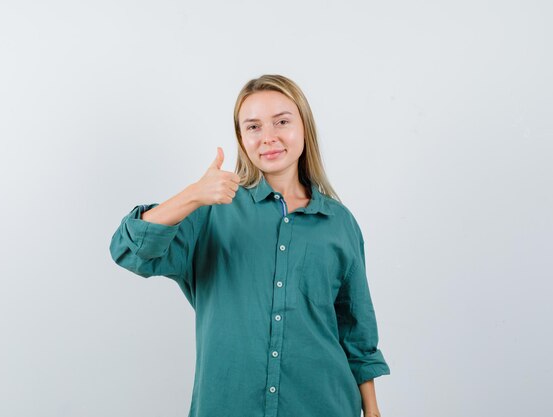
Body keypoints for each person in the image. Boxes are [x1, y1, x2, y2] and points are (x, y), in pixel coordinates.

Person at [109, 74, 390, 417]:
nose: (268, 137)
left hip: (323, 404)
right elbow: (128, 251)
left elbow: (356, 331)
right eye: (253, 127)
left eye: (281, 122)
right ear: (241, 138)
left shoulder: (340, 223)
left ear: (304, 127)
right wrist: (193, 194)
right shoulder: (211, 212)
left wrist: (373, 411)